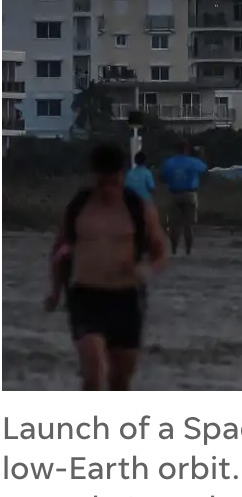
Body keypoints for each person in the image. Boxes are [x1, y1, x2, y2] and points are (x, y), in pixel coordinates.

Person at [45, 142, 168, 390]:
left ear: (121, 176)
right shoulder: (79, 206)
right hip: (85, 296)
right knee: (93, 372)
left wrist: (146, 270)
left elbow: (159, 251)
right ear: (94, 177)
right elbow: (59, 251)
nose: (108, 189)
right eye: (102, 183)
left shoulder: (139, 208)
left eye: (113, 182)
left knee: (120, 382)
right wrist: (56, 292)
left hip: (126, 299)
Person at [158, 141, 207, 255]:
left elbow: (161, 177)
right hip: (190, 194)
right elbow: (204, 168)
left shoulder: (169, 163)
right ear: (187, 149)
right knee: (189, 225)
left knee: (174, 224)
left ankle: (174, 250)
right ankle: (188, 251)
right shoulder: (193, 162)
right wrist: (200, 155)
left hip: (174, 194)